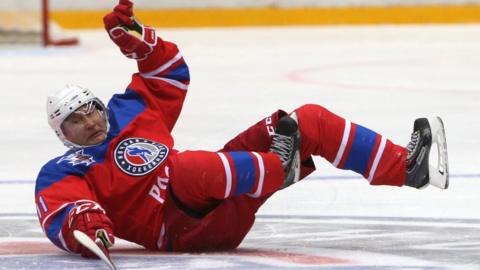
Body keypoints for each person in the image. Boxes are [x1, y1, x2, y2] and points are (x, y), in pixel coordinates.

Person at [35, 0, 449, 259]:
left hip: (216, 193)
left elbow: (170, 75)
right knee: (186, 168)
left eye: (89, 110)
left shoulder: (130, 112)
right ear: (62, 133)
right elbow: (64, 212)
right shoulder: (65, 168)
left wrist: (142, 45)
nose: (88, 121)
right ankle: (277, 167)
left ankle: (406, 168)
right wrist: (88, 229)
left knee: (307, 120)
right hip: (180, 228)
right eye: (74, 120)